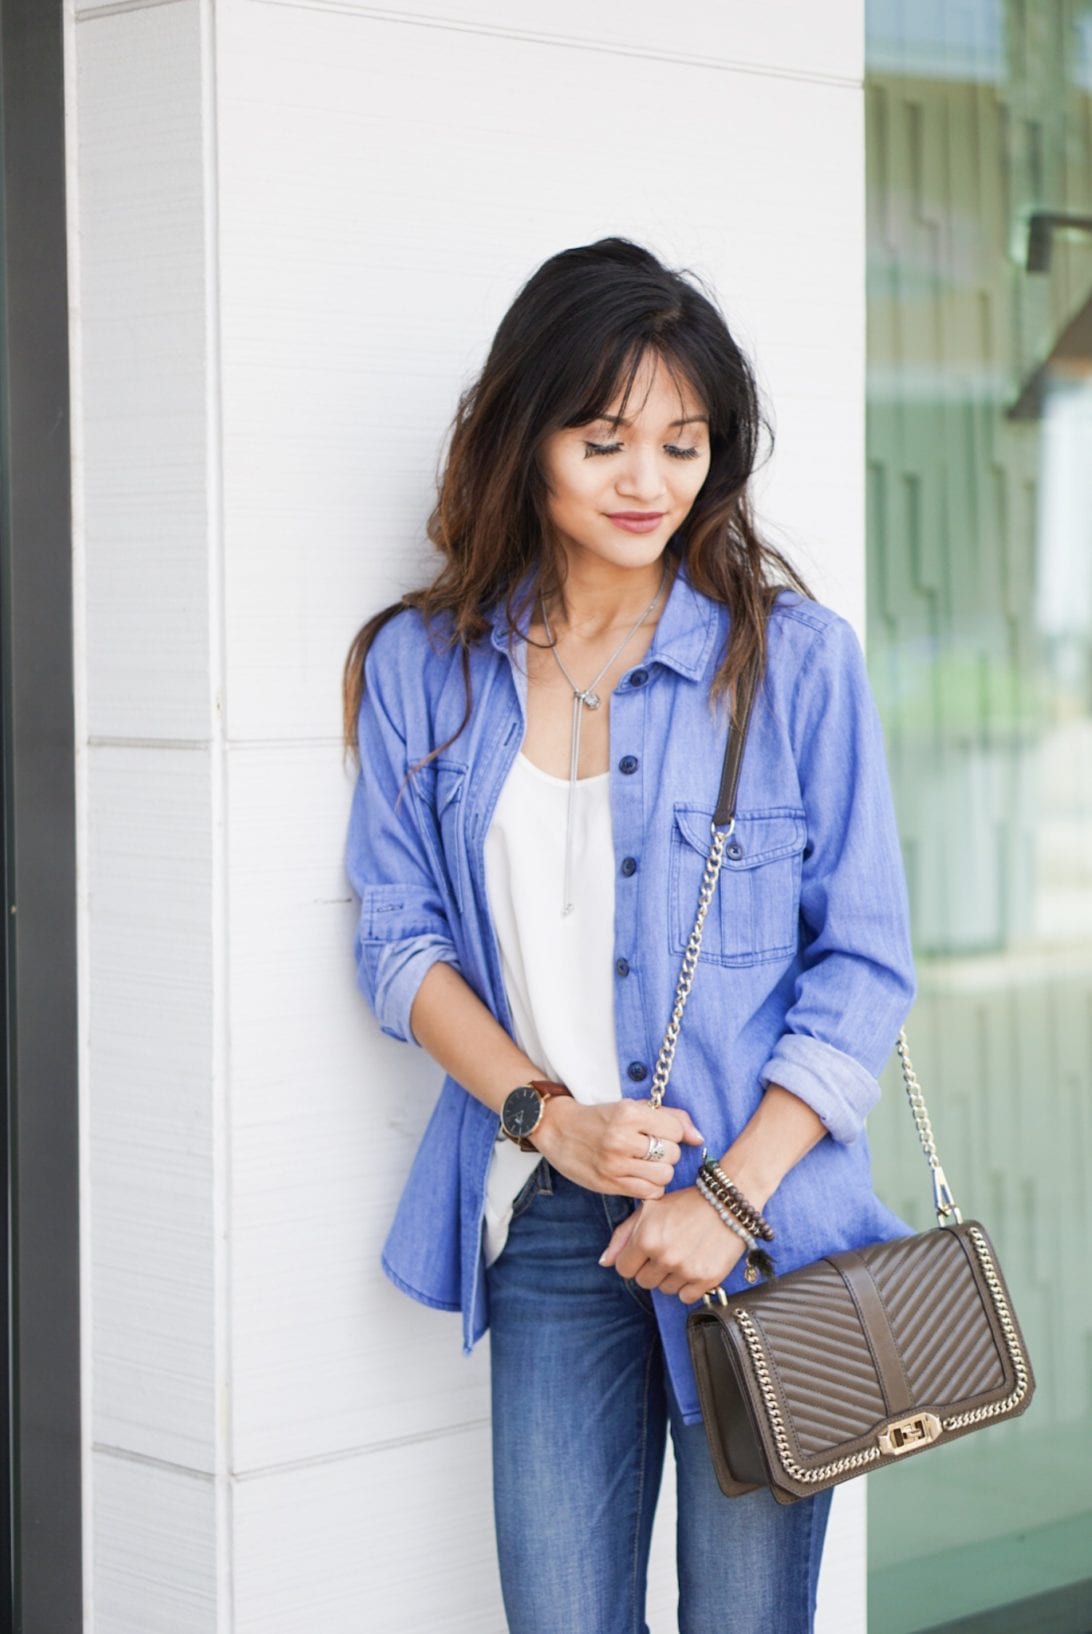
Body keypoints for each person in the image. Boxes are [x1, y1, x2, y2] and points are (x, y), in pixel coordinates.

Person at [342, 237, 917, 1634]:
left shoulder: (793, 662)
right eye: (604, 440)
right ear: (522, 440)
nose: (649, 481)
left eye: (682, 441)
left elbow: (867, 961)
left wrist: (727, 1200)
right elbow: (400, 938)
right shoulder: (427, 666)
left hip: (759, 1227)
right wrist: (551, 1119)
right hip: (551, 1232)